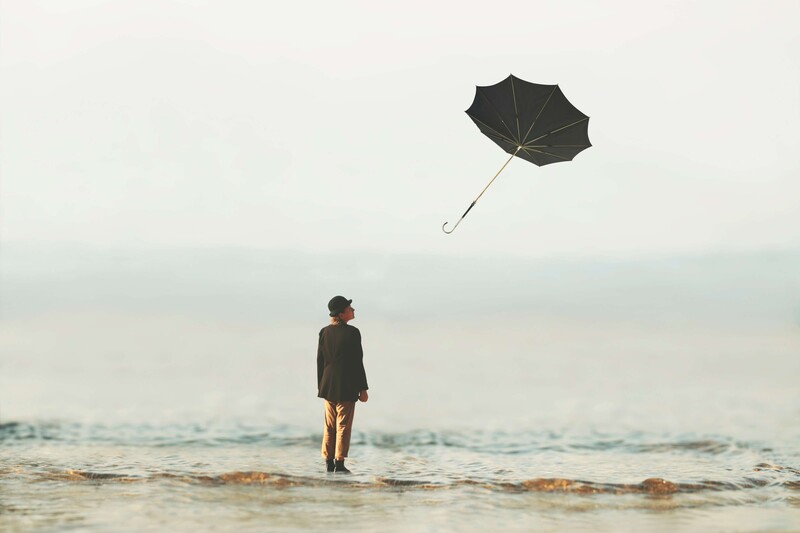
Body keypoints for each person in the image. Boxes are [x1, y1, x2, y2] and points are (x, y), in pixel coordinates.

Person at [317, 295, 369, 473]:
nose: (353, 310)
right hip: (346, 384)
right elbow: (357, 362)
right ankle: (339, 463)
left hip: (327, 384)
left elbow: (320, 361)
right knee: (343, 426)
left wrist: (321, 386)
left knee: (329, 426)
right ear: (341, 313)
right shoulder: (353, 332)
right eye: (349, 309)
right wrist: (363, 389)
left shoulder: (324, 331)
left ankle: (328, 462)